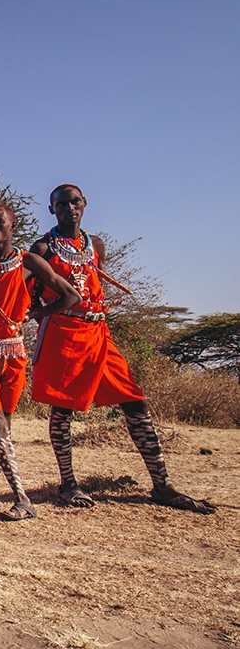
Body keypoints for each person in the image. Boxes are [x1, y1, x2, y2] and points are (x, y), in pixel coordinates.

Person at [30, 184, 214, 513]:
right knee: (63, 410)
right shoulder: (42, 248)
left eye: (74, 202)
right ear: (51, 209)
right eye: (61, 204)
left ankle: (161, 485)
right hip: (64, 333)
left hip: (99, 333)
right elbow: (29, 296)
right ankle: (68, 484)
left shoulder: (95, 245)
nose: (69, 208)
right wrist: (49, 314)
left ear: (84, 204)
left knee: (135, 402)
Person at [0, 205, 80, 521]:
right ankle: (21, 496)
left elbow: (71, 296)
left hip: (13, 354)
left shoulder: (27, 262)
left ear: (12, 225)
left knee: (5, 426)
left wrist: (36, 314)